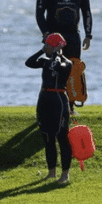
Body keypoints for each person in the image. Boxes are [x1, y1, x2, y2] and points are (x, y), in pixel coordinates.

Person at [25, 32, 73, 184]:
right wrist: (42, 50)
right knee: (47, 137)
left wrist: (57, 53)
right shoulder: (45, 61)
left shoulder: (67, 62)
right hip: (44, 99)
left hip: (59, 100)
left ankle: (65, 174)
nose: (44, 47)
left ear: (56, 46)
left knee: (62, 137)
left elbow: (58, 66)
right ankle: (51, 172)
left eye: (47, 45)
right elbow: (29, 62)